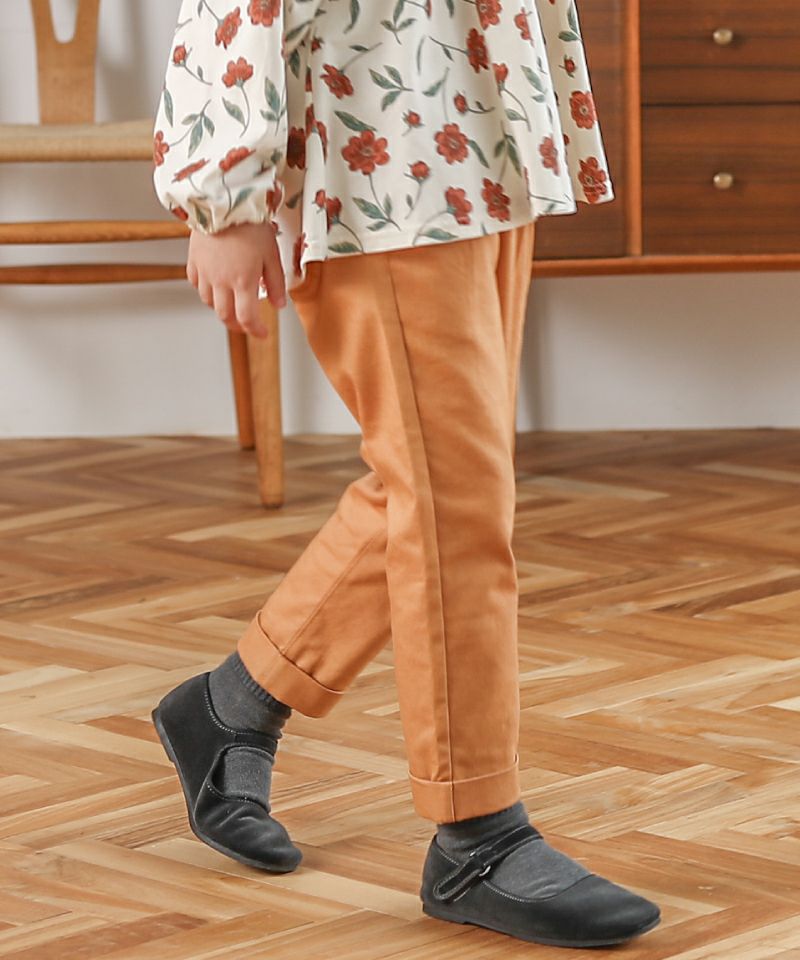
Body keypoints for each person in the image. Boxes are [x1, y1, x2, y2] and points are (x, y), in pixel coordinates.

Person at [150, 0, 661, 948]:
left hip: (480, 117)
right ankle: (477, 835)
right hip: (379, 145)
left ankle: (231, 708)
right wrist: (222, 191)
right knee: (453, 501)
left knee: (436, 484)